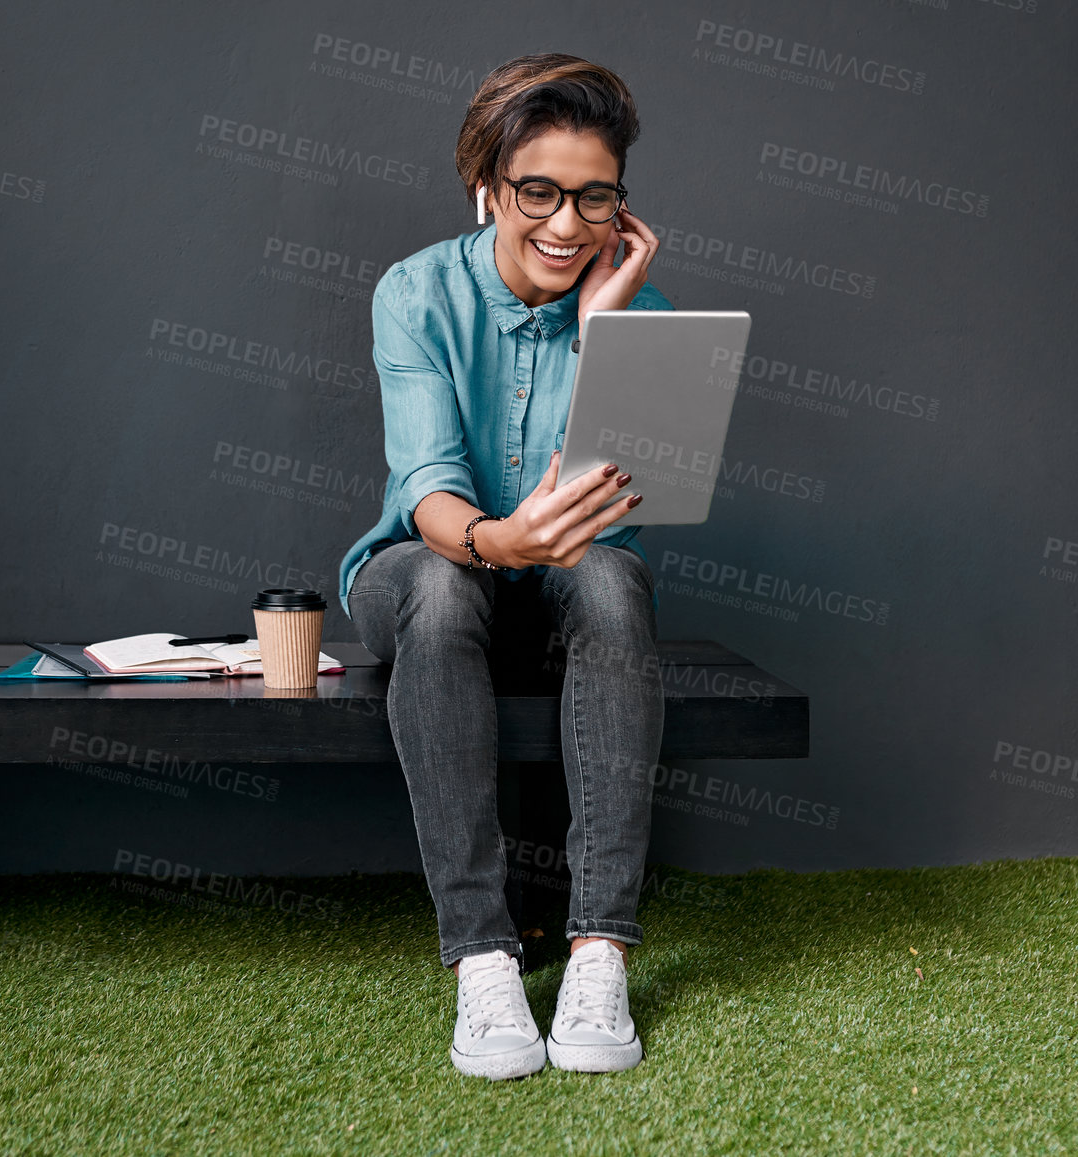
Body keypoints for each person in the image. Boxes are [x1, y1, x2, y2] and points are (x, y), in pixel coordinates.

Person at [337, 53, 670, 1080]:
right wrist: (494, 540)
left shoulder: (640, 314)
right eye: (538, 192)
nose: (567, 225)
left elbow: (610, 511)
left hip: (570, 579)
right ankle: (480, 953)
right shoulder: (415, 291)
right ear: (485, 186)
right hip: (432, 566)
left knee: (611, 580)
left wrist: (603, 335)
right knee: (439, 584)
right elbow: (430, 486)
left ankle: (597, 949)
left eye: (593, 196)